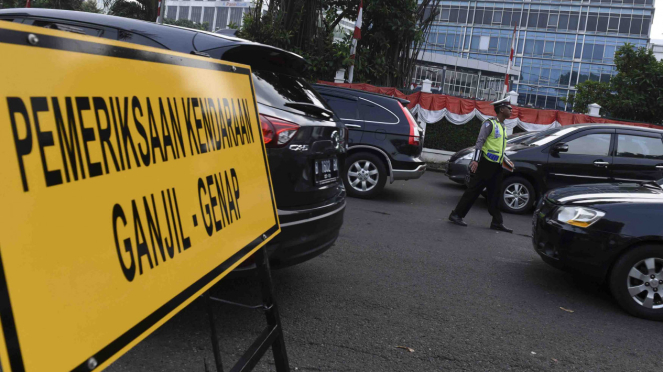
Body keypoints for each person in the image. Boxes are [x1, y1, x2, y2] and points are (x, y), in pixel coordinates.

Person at [448, 97, 513, 233]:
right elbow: (480, 142)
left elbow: (498, 147)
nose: (511, 110)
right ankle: (456, 214)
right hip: (485, 164)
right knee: (473, 191)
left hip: (496, 166)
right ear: (501, 110)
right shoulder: (490, 124)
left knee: (495, 194)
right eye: (509, 108)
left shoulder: (502, 126)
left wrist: (505, 160)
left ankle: (496, 221)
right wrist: (475, 160)